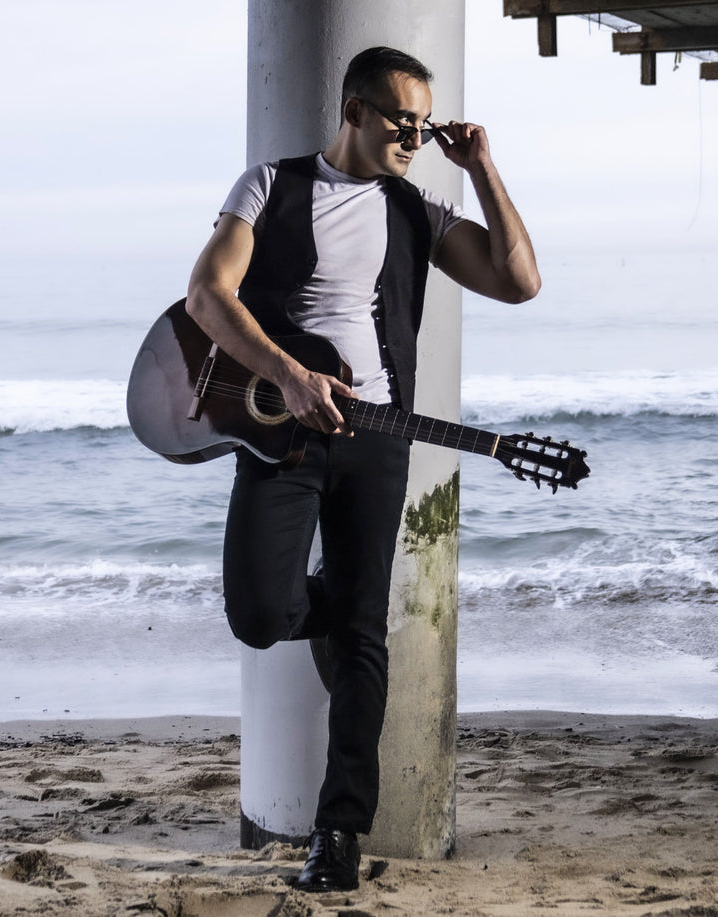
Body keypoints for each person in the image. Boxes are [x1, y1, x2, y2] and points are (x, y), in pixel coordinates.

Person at [183, 46, 540, 892]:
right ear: (354, 110)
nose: (414, 135)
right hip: (285, 433)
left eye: (423, 123)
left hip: (378, 438)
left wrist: (482, 165)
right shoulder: (270, 186)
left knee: (364, 637)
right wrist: (288, 374)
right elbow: (206, 294)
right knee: (261, 612)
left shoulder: (417, 208)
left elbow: (519, 280)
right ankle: (329, 608)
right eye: (400, 120)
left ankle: (337, 833)